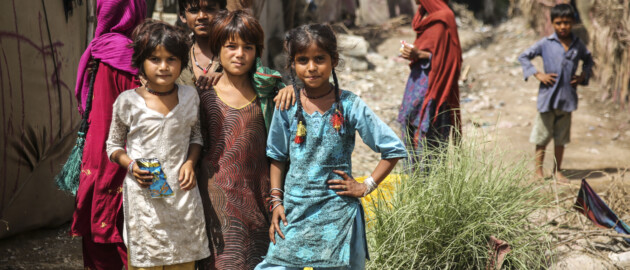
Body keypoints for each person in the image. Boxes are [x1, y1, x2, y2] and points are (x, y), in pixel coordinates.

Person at [255, 23, 407, 270]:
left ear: (333, 60)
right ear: (292, 64)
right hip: (295, 211)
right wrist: (276, 202)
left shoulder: (349, 105)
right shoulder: (288, 103)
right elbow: (277, 156)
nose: (312, 67)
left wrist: (366, 185)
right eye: (303, 60)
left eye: (319, 59)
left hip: (338, 213)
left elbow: (393, 149)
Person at [105, 20, 210, 269]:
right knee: (146, 260)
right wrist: (131, 166)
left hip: (182, 195)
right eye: (155, 59)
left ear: (181, 61)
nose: (164, 67)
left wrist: (190, 163)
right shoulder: (127, 101)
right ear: (141, 61)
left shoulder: (189, 96)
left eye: (171, 59)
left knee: (183, 259)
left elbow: (196, 137)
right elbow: (112, 146)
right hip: (144, 198)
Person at [195, 10, 280, 270]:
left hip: (260, 203)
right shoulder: (204, 95)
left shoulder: (270, 94)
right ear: (217, 48)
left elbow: (281, 150)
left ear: (257, 51)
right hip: (215, 206)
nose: (239, 54)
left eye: (248, 47)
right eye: (231, 46)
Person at [71, 1, 145, 269]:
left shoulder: (99, 48)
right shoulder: (128, 53)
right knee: (124, 225)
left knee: (99, 219)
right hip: (126, 154)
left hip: (98, 152)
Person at [518, 3, 593, 182]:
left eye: (567, 22)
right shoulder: (546, 43)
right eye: (558, 23)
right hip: (548, 99)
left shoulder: (577, 44)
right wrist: (538, 74)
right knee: (542, 137)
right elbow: (524, 56)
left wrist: (583, 76)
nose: (563, 27)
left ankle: (558, 171)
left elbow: (589, 60)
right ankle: (538, 172)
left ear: (573, 22)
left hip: (567, 100)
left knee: (561, 139)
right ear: (552, 23)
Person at [398, 0, 462, 165]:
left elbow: (452, 59)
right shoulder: (426, 17)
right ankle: (413, 185)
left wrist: (419, 54)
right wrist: (413, 53)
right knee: (410, 131)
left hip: (435, 88)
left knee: (430, 140)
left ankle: (430, 188)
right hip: (417, 86)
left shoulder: (444, 17)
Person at [177, 0, 226, 90]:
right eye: (194, 11)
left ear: (223, 13)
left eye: (210, 9)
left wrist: (228, 79)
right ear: (183, 15)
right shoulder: (176, 54)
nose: (202, 16)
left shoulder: (235, 53)